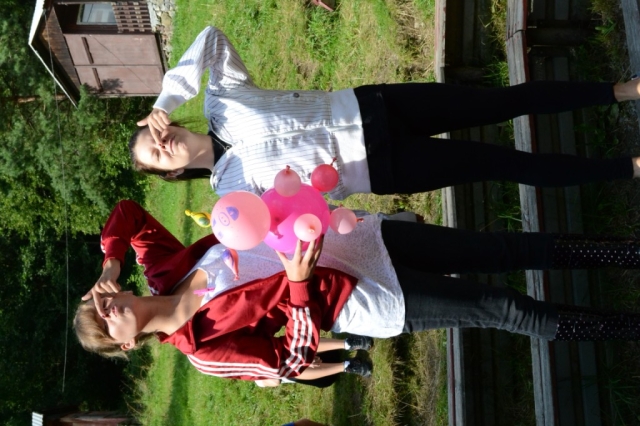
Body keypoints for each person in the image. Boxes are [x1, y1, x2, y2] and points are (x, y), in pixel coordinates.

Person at [75, 200, 640, 383]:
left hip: (360, 238)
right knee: (502, 308)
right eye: (107, 323)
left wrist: (110, 263)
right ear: (125, 344)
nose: (110, 308)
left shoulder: (163, 268)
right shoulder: (203, 351)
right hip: (362, 298)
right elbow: (290, 362)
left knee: (501, 249)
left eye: (99, 304)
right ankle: (628, 326)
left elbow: (127, 213)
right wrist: (299, 288)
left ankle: (626, 253)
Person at [130, 26, 640, 200]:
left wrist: (165, 99)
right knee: (503, 164)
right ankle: (628, 168)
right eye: (156, 156)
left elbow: (211, 38)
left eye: (154, 135)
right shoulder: (233, 196)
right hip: (379, 168)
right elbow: (295, 224)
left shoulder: (220, 101)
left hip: (375, 105)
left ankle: (621, 91)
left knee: (502, 101)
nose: (162, 143)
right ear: (169, 172)